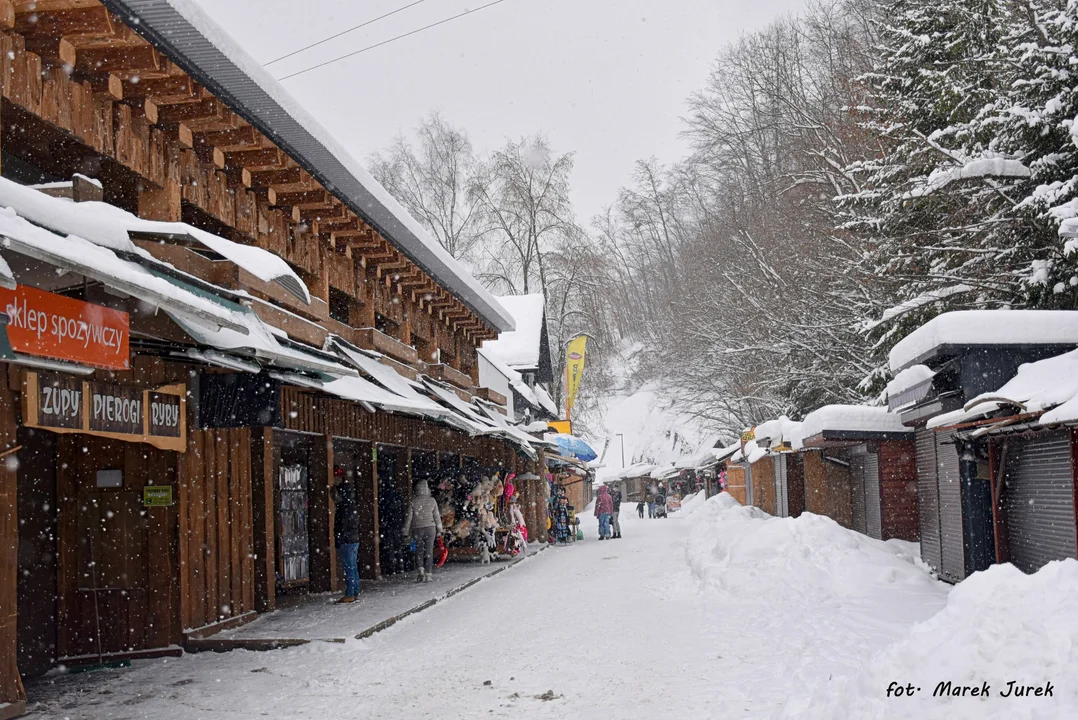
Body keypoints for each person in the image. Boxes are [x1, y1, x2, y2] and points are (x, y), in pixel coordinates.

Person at [403, 480, 443, 583]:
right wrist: (440, 529)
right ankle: (429, 574)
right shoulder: (432, 500)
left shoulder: (413, 501)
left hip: (417, 528)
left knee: (419, 550)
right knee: (429, 551)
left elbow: (409, 518)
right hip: (430, 528)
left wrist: (406, 531)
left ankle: (421, 570)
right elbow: (437, 516)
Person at [332, 468, 361, 603]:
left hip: (346, 540)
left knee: (349, 567)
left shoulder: (343, 508)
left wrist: (338, 539)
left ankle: (350, 593)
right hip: (354, 539)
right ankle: (355, 590)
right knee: (353, 566)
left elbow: (341, 526)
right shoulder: (352, 505)